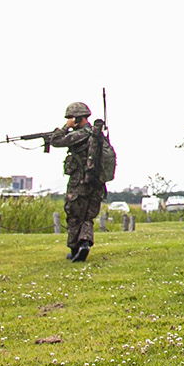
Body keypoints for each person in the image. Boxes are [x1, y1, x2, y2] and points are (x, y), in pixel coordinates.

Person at [44, 101, 116, 263]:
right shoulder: (97, 135)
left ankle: (75, 248)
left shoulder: (80, 135)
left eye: (71, 118)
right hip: (97, 183)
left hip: (80, 182)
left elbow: (56, 141)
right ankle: (85, 243)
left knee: (74, 214)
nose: (69, 121)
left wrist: (64, 127)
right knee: (88, 216)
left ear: (77, 118)